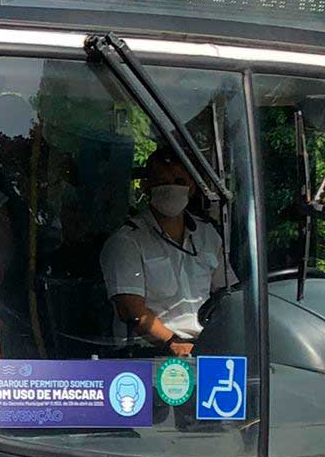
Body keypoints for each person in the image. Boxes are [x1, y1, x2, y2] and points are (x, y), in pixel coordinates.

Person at [99, 147, 231, 356]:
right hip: (151, 353)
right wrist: (174, 344)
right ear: (146, 186)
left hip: (206, 346)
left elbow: (227, 294)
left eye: (179, 181)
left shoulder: (208, 235)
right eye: (162, 182)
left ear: (192, 187)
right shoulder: (126, 241)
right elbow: (131, 310)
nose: (171, 188)